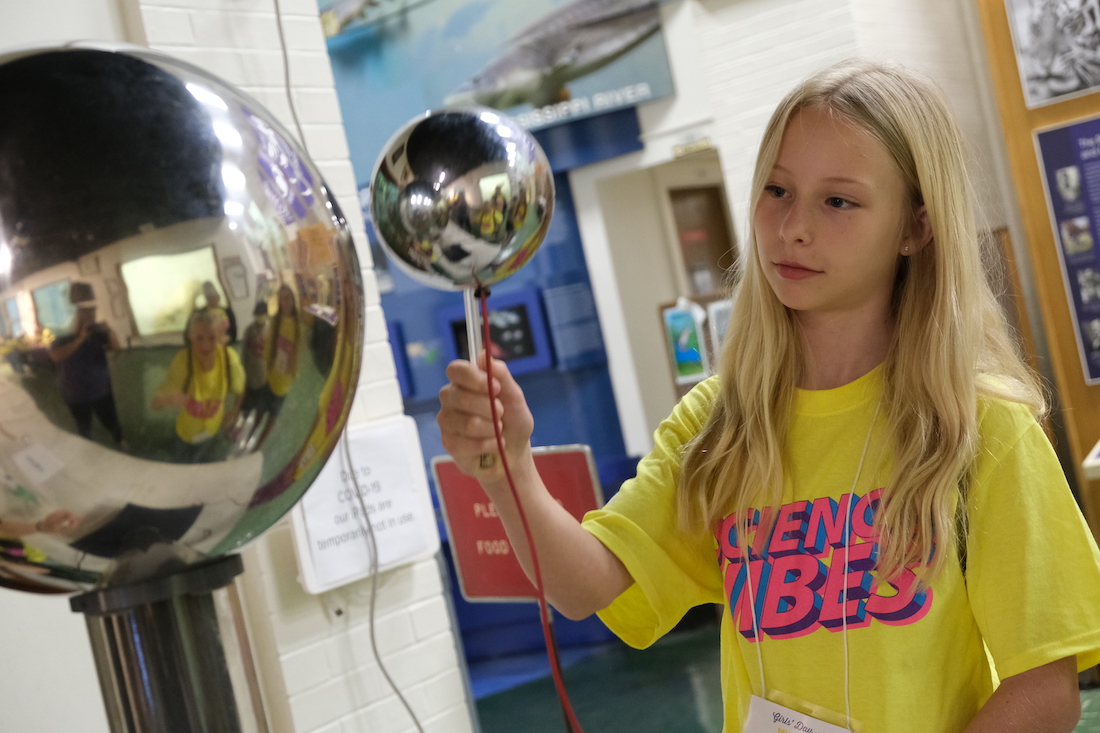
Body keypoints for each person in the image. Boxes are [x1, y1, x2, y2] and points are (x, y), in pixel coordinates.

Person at [437, 60, 1100, 733]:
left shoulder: (980, 427)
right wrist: (510, 469)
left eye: (838, 201)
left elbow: (1044, 690)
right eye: (777, 190)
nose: (794, 227)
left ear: (915, 228)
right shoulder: (722, 422)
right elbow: (585, 584)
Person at [152, 310, 245, 463]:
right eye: (199, 338)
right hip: (185, 432)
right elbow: (155, 404)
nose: (205, 345)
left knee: (198, 456)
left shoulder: (229, 360)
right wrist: (168, 400)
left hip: (211, 430)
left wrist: (234, 411)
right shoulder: (183, 362)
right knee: (180, 460)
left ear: (221, 338)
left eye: (212, 338)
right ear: (190, 338)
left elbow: (241, 387)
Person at [48, 304, 126, 449]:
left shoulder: (97, 337)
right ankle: (87, 446)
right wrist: (80, 339)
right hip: (75, 394)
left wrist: (108, 330)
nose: (85, 322)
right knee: (83, 425)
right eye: (81, 318)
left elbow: (116, 349)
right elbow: (55, 356)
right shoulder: (62, 339)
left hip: (101, 391)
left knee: (111, 420)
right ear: (74, 320)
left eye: (89, 318)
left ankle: (120, 442)